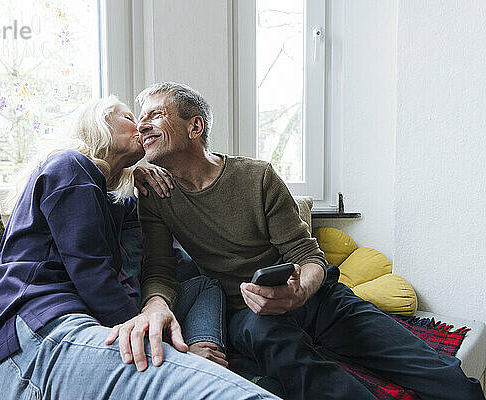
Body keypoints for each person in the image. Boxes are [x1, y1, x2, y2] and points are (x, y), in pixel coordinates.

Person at [107, 82, 486, 400]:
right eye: (140, 120)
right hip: (247, 314)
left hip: (319, 302)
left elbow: (308, 255)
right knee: (302, 366)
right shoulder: (154, 194)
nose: (142, 126)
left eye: (155, 115)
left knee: (443, 376)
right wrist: (153, 307)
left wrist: (300, 291)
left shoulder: (256, 177)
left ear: (195, 127)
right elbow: (160, 269)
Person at [0, 95, 280, 400]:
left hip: (85, 326)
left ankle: (205, 353)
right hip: (39, 337)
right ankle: (190, 361)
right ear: (99, 127)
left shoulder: (105, 194)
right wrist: (151, 333)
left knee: (205, 285)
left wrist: (133, 174)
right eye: (128, 118)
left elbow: (144, 221)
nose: (141, 125)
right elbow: (92, 272)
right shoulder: (70, 166)